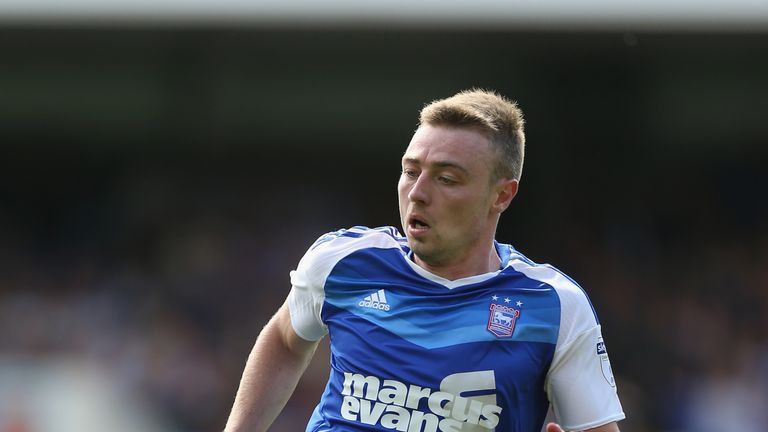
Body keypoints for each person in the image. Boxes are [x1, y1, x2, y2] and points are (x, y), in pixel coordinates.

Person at [224, 89, 625, 432]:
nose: (417, 192)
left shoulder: (553, 305)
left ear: (501, 195)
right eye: (410, 171)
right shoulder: (344, 262)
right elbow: (283, 339)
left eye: (446, 179)